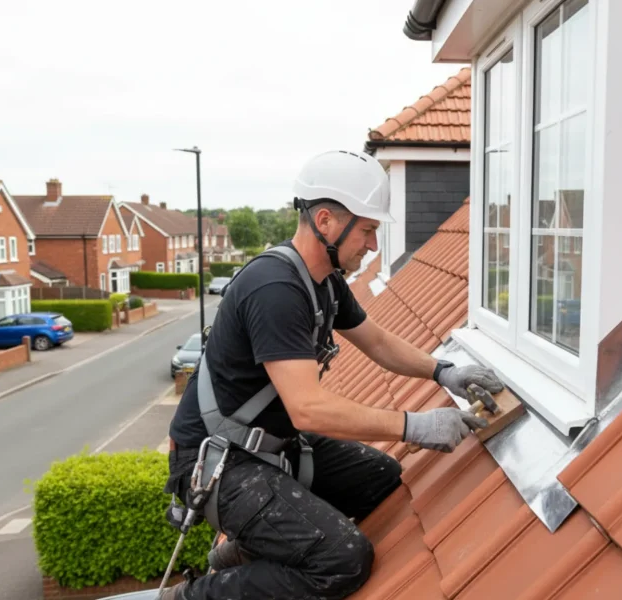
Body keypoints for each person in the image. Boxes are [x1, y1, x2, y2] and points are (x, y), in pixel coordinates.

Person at [160, 149, 503, 600]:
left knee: (380, 478)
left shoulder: (324, 281)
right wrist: (413, 425)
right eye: (367, 230)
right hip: (221, 463)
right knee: (343, 560)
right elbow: (307, 408)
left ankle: (245, 552)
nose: (374, 246)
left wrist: (444, 371)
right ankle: (188, 597)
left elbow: (376, 342)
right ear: (325, 222)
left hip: (269, 446)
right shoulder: (276, 289)